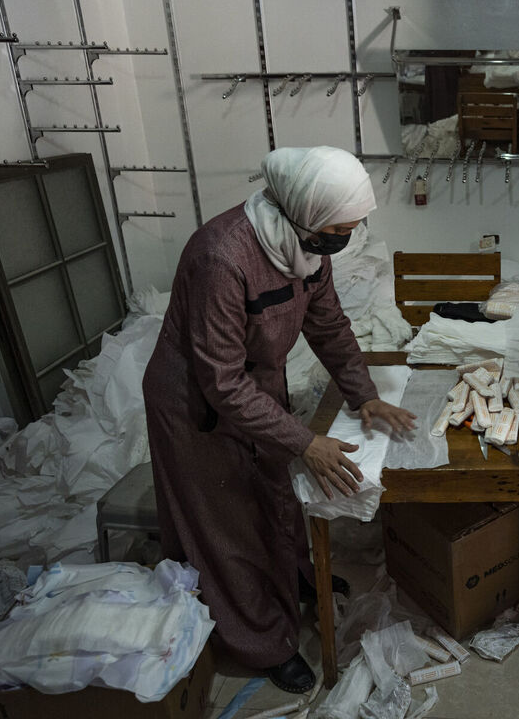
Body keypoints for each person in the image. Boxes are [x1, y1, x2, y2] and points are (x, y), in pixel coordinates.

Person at [143, 147, 416, 693]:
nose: (346, 236)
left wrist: (364, 396)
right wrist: (304, 440)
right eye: (340, 227)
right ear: (304, 211)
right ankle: (262, 640)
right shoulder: (221, 257)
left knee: (276, 491)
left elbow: (329, 325)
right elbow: (220, 380)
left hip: (256, 385)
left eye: (354, 226)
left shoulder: (308, 244)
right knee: (228, 524)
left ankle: (292, 576)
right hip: (195, 405)